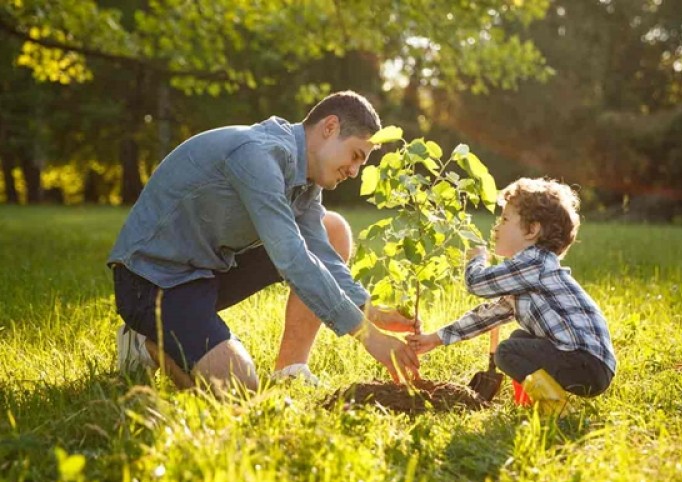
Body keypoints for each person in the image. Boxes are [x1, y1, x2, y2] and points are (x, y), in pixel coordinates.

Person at [108, 90, 420, 393]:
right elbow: (292, 258)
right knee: (239, 388)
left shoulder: (307, 181)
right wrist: (369, 337)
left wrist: (370, 311)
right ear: (330, 127)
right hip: (151, 281)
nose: (353, 171)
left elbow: (321, 253)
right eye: (355, 156)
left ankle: (290, 370)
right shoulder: (258, 155)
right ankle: (144, 345)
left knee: (332, 230)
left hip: (204, 271)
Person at [407, 177, 615, 410]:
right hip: (590, 364)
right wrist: (434, 339)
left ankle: (556, 408)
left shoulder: (533, 262)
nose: (497, 226)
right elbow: (486, 316)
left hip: (584, 362)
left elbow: (476, 283)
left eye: (505, 219)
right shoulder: (528, 274)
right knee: (518, 340)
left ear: (532, 230)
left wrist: (477, 258)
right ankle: (529, 404)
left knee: (506, 352)